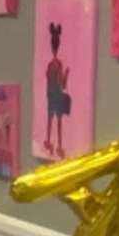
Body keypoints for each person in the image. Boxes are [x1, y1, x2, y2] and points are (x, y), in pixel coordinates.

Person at [40, 17, 74, 159]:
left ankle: (49, 141)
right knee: (58, 122)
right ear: (58, 45)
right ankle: (59, 145)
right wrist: (67, 73)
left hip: (50, 96)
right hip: (57, 96)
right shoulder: (58, 65)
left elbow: (49, 81)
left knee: (49, 120)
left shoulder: (49, 65)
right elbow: (63, 84)